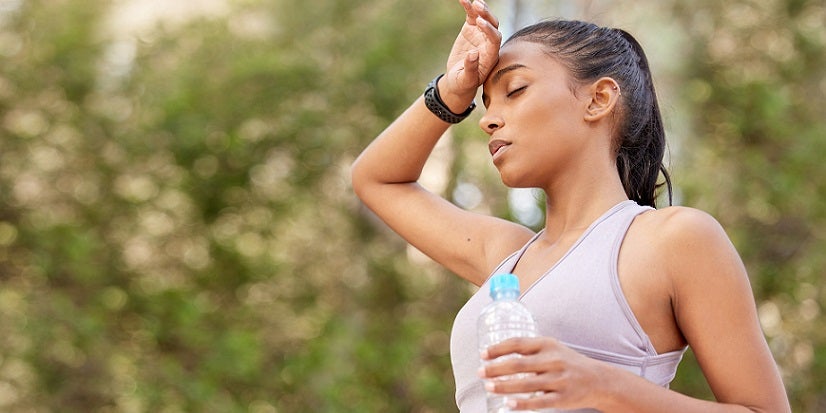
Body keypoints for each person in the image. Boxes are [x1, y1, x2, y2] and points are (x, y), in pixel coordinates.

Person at [350, 0, 791, 411]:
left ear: (598, 99)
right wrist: (451, 91)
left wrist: (601, 383)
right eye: (485, 104)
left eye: (515, 89)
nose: (487, 119)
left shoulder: (673, 240)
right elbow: (377, 180)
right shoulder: (506, 256)